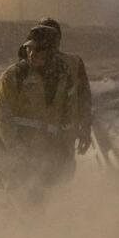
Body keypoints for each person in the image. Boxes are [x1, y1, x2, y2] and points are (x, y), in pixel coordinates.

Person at [0, 25, 75, 198]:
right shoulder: (13, 76)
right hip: (21, 149)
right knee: (22, 198)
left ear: (51, 51)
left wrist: (66, 151)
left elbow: (68, 116)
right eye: (29, 48)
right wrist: (16, 148)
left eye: (39, 49)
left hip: (48, 151)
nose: (32, 53)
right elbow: (1, 115)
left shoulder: (62, 78)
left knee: (44, 198)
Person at [38, 17, 92, 161]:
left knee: (57, 173)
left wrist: (85, 129)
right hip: (56, 132)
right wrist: (85, 129)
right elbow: (84, 99)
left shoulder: (28, 64)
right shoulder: (74, 63)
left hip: (52, 133)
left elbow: (84, 98)